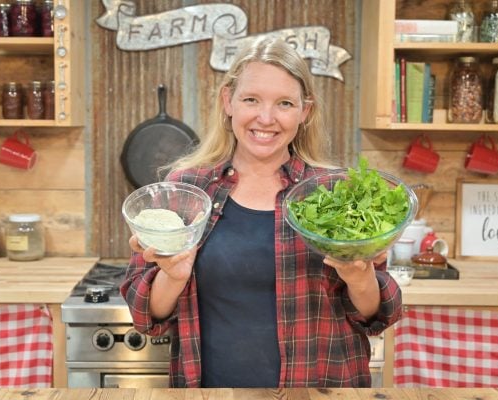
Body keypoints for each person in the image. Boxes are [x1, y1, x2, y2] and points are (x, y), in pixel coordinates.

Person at [121, 37, 402, 388]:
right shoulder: (187, 189)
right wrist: (173, 277)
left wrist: (360, 278)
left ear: (305, 112)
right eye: (251, 99)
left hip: (320, 390)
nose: (265, 118)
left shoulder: (334, 192)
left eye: (284, 103)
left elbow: (376, 316)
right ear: (228, 102)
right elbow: (145, 314)